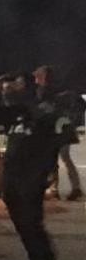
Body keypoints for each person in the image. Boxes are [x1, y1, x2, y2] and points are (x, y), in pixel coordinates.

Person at [0, 73, 72, 260]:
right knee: (24, 226)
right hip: (13, 180)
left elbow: (57, 142)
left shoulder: (44, 111)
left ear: (28, 87)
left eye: (15, 86)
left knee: (32, 225)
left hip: (31, 179)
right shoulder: (15, 112)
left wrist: (43, 173)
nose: (9, 90)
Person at [34, 66, 83, 201]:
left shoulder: (49, 90)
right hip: (58, 127)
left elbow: (47, 108)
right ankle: (65, 188)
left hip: (59, 127)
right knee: (58, 158)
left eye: (38, 76)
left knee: (59, 157)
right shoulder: (51, 89)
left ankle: (65, 189)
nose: (36, 79)